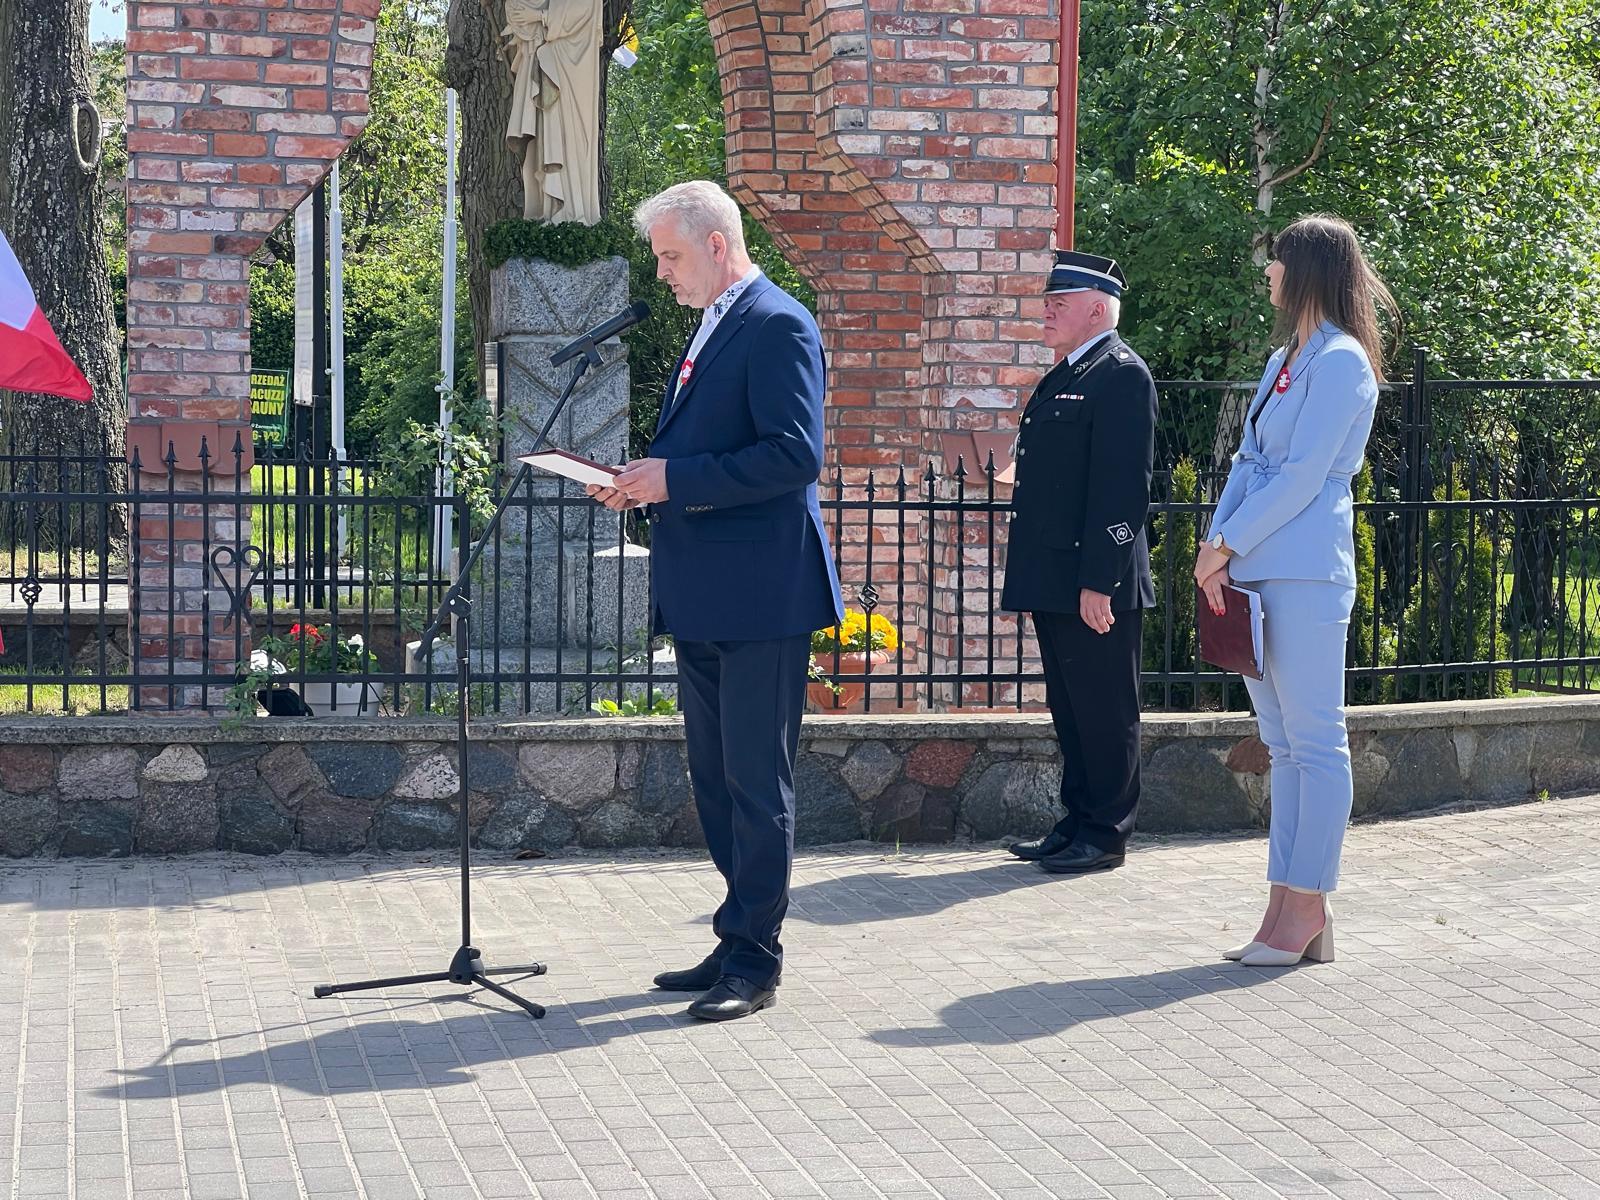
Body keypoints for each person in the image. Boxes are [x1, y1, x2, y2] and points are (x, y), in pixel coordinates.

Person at [589, 181, 843, 1021]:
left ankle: (758, 961)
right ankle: (737, 933)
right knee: (712, 778)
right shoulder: (714, 324)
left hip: (763, 595)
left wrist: (677, 479)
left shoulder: (776, 323)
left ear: (718, 246)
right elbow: (707, 446)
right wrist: (644, 484)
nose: (662, 273)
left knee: (754, 780)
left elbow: (793, 455)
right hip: (705, 591)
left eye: (670, 256)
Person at [1196, 214, 1396, 967]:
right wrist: (1216, 550)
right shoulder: (1288, 359)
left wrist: (1225, 544)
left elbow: (1306, 474)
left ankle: (1306, 905)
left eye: (1278, 263)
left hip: (1306, 571)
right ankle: (1285, 901)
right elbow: (1249, 462)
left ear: (1307, 269)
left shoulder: (1342, 361)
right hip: (1254, 570)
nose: (1269, 275)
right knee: (1282, 746)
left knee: (1315, 742)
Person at [1000, 249, 1157, 875]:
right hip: (1058, 578)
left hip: (1096, 582)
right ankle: (1077, 822)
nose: (1045, 313)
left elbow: (1123, 489)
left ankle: (1107, 833)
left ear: (1097, 309)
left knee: (1105, 711)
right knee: (1072, 712)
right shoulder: (1068, 372)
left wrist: (1101, 580)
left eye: (1057, 305)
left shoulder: (1121, 373)